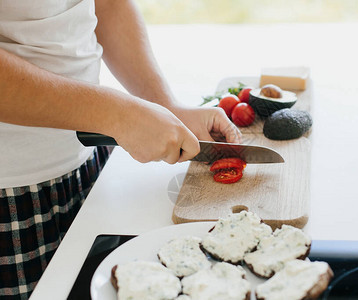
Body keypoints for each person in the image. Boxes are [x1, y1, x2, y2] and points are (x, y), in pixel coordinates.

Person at [0, 0, 241, 298]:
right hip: (12, 197)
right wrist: (115, 114)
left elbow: (108, 4)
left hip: (92, 163)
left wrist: (166, 107)